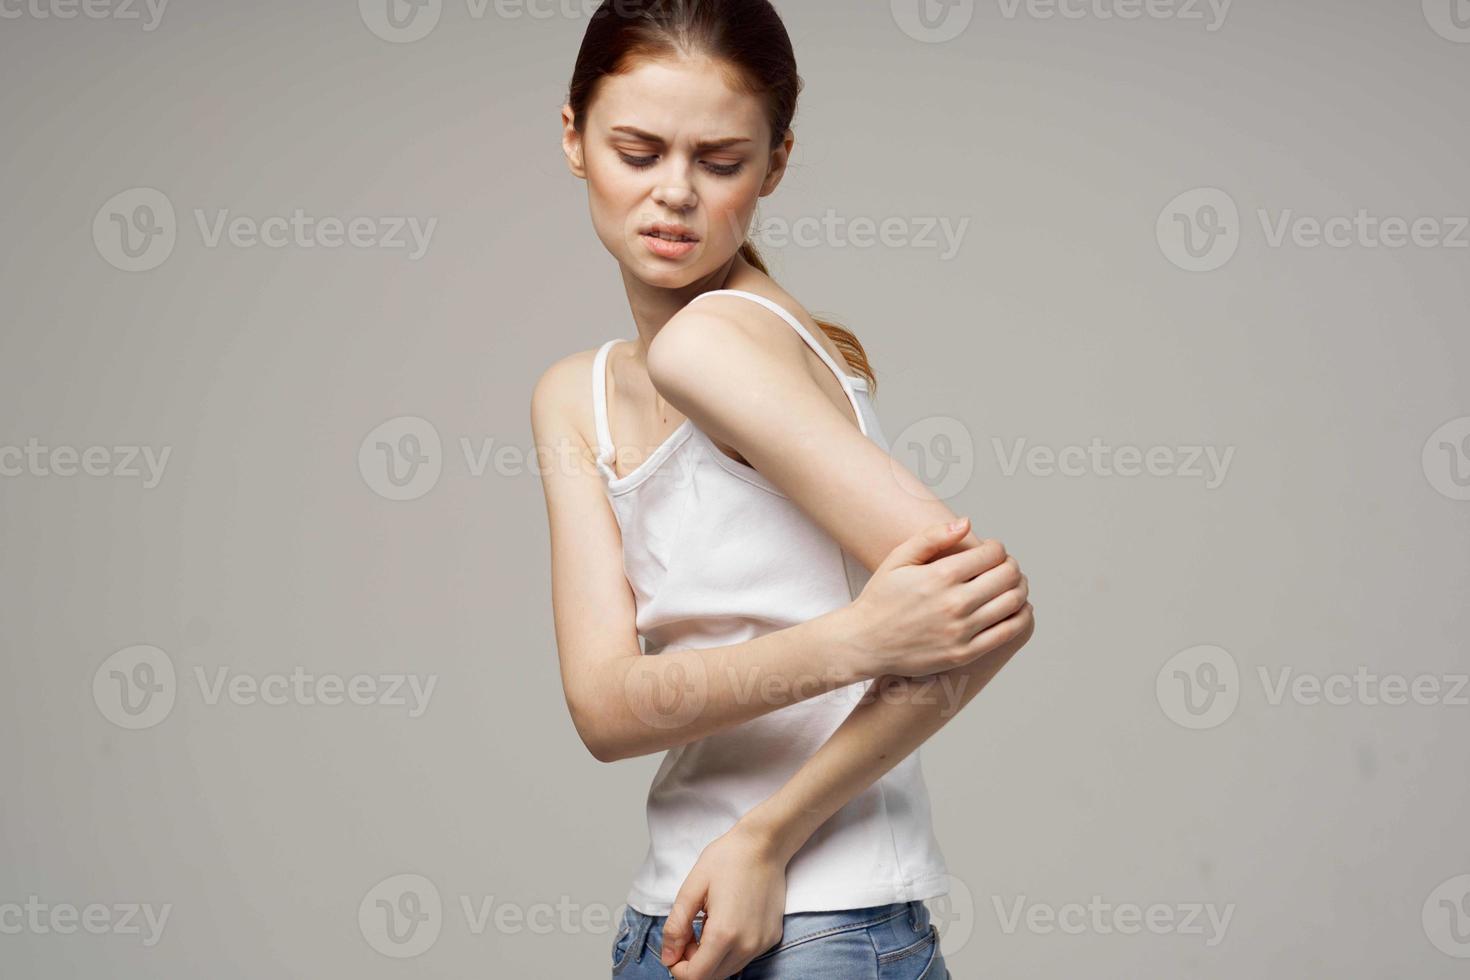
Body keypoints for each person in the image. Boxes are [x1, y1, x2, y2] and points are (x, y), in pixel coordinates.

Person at [531, 2, 1036, 976]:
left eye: (719, 161)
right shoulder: (575, 394)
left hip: (819, 924)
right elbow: (604, 709)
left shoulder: (716, 343)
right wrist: (850, 639)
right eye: (637, 150)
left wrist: (768, 835)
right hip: (667, 917)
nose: (673, 193)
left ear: (775, 164)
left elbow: (986, 609)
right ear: (574, 137)